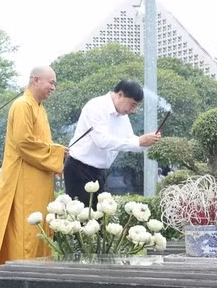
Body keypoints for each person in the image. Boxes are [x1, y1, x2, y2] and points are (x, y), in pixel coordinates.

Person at [0, 66, 67, 270]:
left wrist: (57, 154)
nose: (54, 88)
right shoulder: (22, 105)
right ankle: (21, 274)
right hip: (24, 179)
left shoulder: (39, 108)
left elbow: (41, 142)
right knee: (26, 231)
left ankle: (38, 272)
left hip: (39, 178)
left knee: (40, 229)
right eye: (51, 82)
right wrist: (56, 153)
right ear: (36, 80)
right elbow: (24, 143)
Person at [64, 79, 161, 209]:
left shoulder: (122, 116)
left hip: (100, 172)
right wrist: (138, 141)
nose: (133, 110)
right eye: (132, 104)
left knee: (98, 218)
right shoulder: (96, 106)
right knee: (82, 218)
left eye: (136, 106)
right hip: (79, 168)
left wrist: (148, 141)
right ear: (120, 94)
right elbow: (102, 141)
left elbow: (131, 140)